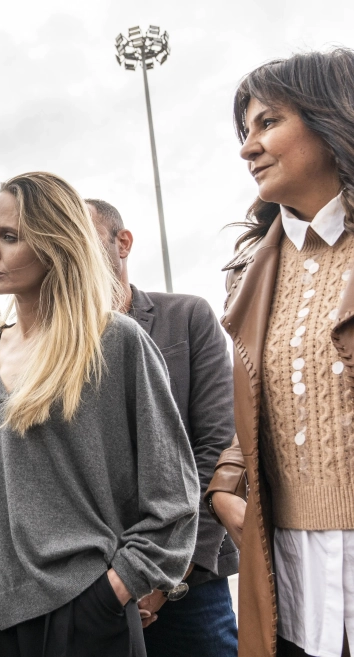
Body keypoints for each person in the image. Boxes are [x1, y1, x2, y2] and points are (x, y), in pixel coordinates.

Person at [0, 172, 199, 657]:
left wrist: (113, 591)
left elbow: (173, 498)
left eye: (9, 237)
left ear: (56, 244)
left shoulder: (114, 341)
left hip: (79, 613)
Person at [205, 48, 354, 657]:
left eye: (268, 122)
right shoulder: (251, 272)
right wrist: (227, 481)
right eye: (246, 131)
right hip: (288, 568)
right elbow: (272, 403)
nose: (249, 148)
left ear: (331, 117)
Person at [87, 198, 239, 657]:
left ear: (123, 242)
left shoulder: (187, 317)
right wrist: (110, 585)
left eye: (83, 237)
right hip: (91, 587)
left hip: (190, 584)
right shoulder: (52, 343)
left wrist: (166, 577)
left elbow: (214, 445)